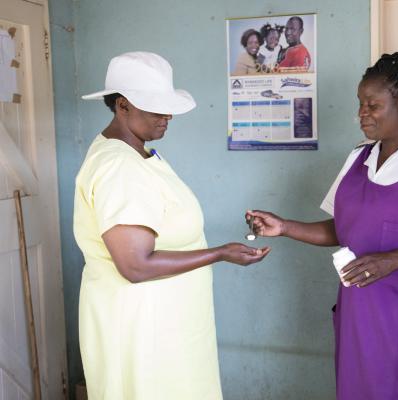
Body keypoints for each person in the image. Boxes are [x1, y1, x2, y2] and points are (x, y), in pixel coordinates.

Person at [246, 52, 398, 400]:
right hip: (359, 305)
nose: (362, 113)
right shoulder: (359, 158)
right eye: (360, 104)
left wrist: (393, 260)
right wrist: (284, 227)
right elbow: (342, 230)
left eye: (372, 105)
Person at [75, 51, 270, 400]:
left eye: (168, 107)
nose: (167, 116)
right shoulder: (119, 165)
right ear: (123, 106)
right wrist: (220, 253)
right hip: (142, 329)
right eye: (156, 107)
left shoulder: (139, 154)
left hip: (165, 325)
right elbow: (135, 264)